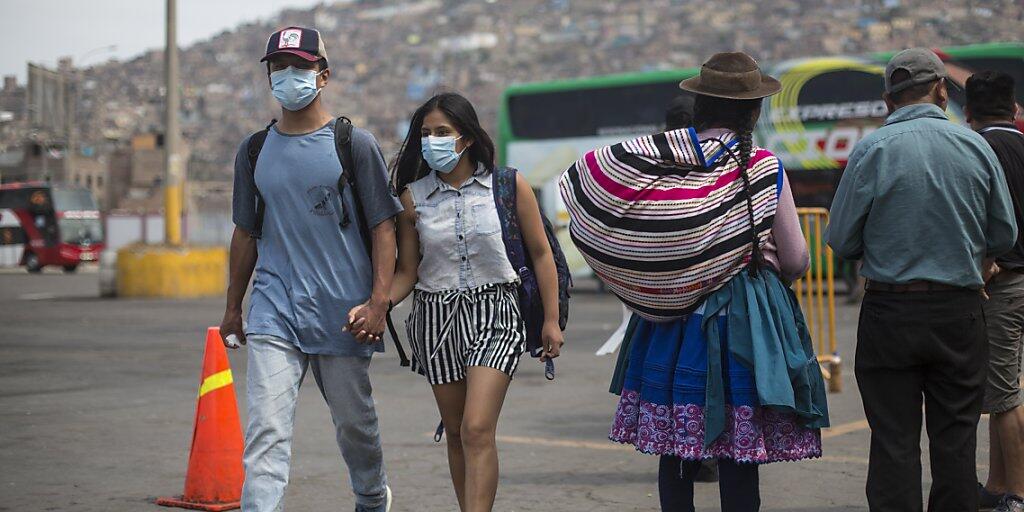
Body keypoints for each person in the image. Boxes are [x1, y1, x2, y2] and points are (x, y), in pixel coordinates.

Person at [565, 52, 827, 511]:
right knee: (738, 450)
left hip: (669, 322)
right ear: (753, 111)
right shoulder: (762, 167)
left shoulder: (660, 162)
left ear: (700, 104)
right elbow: (798, 258)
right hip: (742, 322)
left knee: (676, 446)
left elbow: (597, 183)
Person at [826, 49, 1018, 512]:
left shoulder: (871, 149)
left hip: (890, 313)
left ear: (888, 100)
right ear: (940, 91)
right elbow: (1004, 233)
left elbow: (840, 238)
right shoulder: (974, 146)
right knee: (956, 441)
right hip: (959, 311)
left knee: (893, 440)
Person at [219, 27, 402, 512]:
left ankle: (370, 497)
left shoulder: (353, 144)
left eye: (299, 66)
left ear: (323, 75)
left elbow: (385, 228)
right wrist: (234, 307)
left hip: (344, 310)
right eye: (278, 67)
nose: (287, 76)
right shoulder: (253, 151)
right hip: (273, 309)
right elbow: (245, 234)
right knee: (266, 431)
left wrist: (379, 301)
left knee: (354, 426)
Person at [388, 92, 564, 512]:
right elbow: (408, 271)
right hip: (435, 318)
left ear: (465, 137)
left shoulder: (507, 184)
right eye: (426, 133)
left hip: (497, 313)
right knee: (454, 431)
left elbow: (541, 253)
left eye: (442, 132)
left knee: (477, 427)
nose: (433, 140)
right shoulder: (412, 198)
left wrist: (552, 320)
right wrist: (378, 306)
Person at [966, 70, 1024, 512]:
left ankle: (1016, 495)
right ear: (1014, 108)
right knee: (1004, 389)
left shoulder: (977, 149)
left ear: (967, 112)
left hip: (1004, 283)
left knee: (1003, 395)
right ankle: (996, 483)